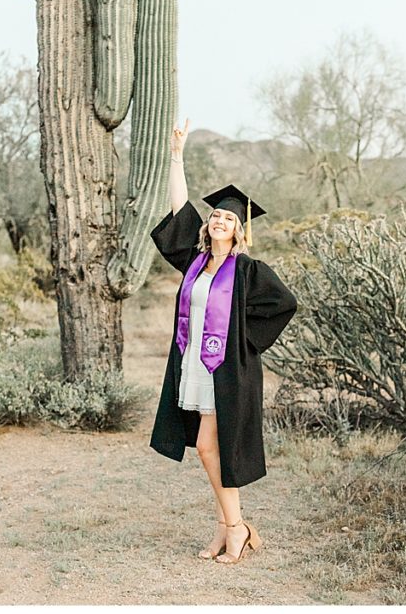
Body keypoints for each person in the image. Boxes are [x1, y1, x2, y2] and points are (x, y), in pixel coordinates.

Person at [149, 118, 296, 565]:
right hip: (193, 362)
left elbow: (283, 305)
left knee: (212, 447)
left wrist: (242, 345)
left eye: (229, 218)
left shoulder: (249, 271)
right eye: (216, 215)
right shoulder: (194, 264)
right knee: (205, 449)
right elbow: (178, 210)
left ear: (239, 229)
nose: (219, 220)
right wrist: (177, 156)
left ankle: (237, 529)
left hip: (226, 370)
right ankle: (226, 527)